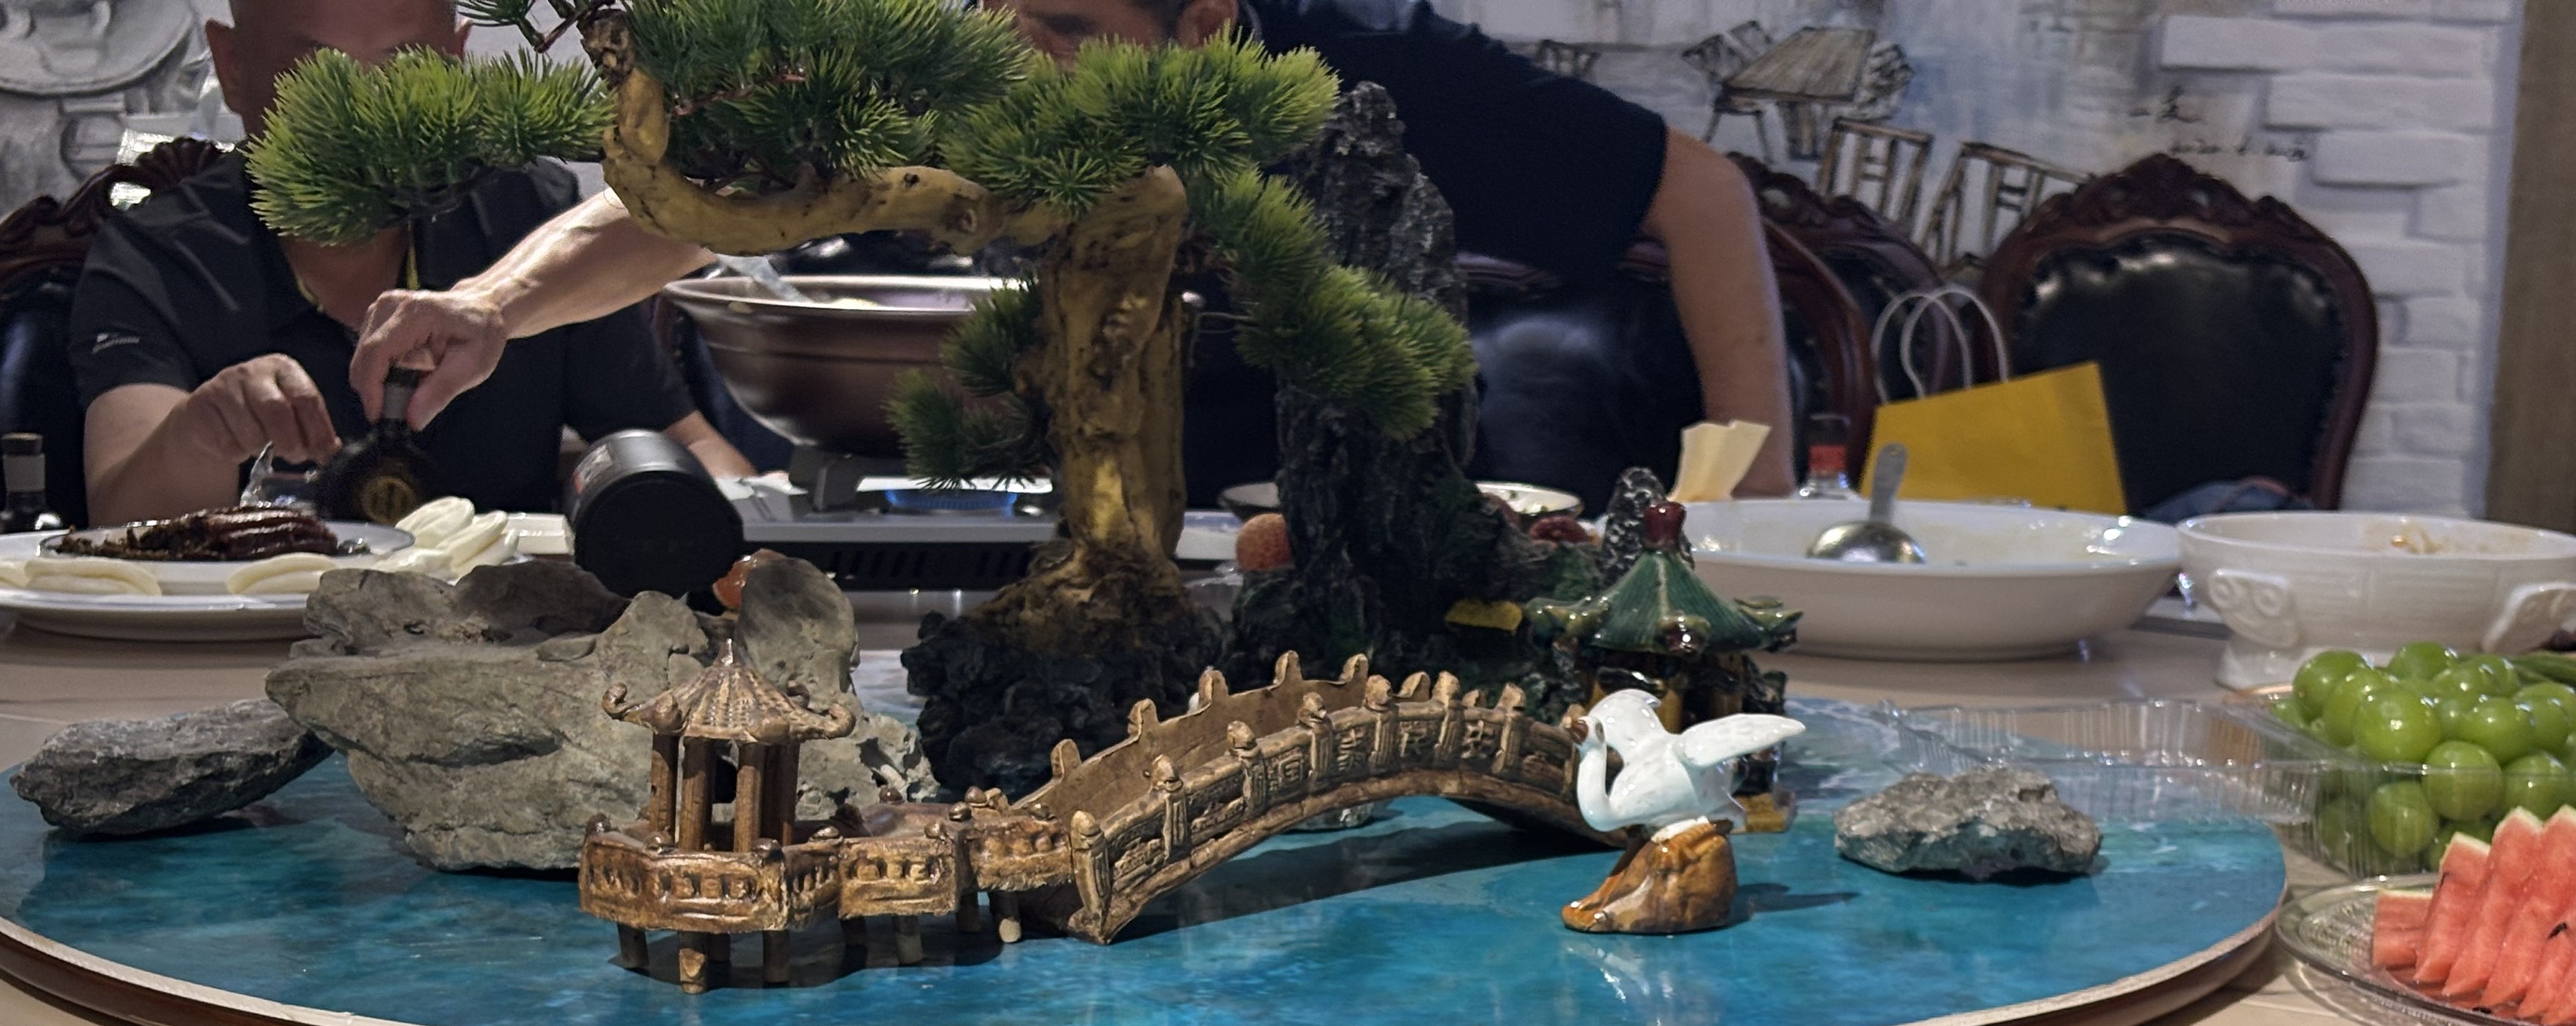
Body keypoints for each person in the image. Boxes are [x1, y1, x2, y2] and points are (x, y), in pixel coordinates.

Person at [350, 0, 1797, 500]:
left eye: (1072, 31)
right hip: (1030, 503)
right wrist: (491, 303)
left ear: (1207, 27)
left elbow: (1703, 197)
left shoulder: (1373, 65)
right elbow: (693, 200)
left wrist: (1758, 499)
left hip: (1294, 515)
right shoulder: (966, 54)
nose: (1020, 60)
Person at [70, 0, 748, 526]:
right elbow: (121, 521)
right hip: (244, 639)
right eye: (315, 70)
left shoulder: (531, 221)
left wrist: (755, 540)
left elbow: (684, 447)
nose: (359, 113)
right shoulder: (160, 256)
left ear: (454, 64)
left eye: (400, 65)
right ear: (233, 67)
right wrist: (201, 432)